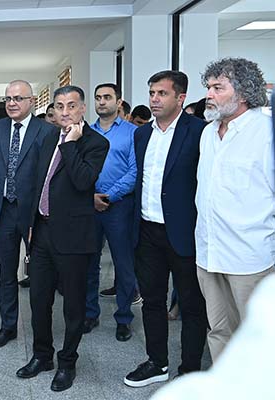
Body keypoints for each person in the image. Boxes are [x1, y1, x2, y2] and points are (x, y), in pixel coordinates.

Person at [16, 85, 108, 392]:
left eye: (71, 105)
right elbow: (37, 184)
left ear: (83, 108)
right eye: (59, 106)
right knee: (39, 299)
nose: (65, 112)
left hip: (74, 237)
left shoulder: (96, 143)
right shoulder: (46, 139)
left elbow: (83, 181)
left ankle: (67, 363)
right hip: (42, 232)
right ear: (53, 109)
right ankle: (42, 355)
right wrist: (30, 225)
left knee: (73, 306)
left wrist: (70, 145)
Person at [124, 70, 208, 388]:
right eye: (152, 93)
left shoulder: (199, 131)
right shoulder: (141, 135)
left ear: (180, 97)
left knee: (191, 305)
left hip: (184, 232)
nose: (154, 99)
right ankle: (156, 362)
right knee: (153, 301)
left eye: (162, 93)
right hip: (147, 231)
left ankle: (190, 371)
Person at [196, 57, 273, 362]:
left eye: (218, 88)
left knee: (257, 337)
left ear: (242, 93)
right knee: (219, 331)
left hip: (249, 258)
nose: (209, 95)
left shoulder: (265, 132)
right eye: (208, 87)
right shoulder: (208, 133)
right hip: (209, 253)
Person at [0, 79, 58, 349]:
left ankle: (40, 330)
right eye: (8, 99)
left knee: (40, 275)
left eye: (18, 98)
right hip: (3, 211)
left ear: (31, 101)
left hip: (36, 215)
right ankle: (8, 326)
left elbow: (49, 177)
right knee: (6, 273)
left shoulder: (47, 131)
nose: (11, 103)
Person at [83, 83, 138, 341]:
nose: (102, 102)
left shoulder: (132, 133)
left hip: (120, 206)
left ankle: (124, 317)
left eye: (107, 97)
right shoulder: (85, 133)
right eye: (98, 98)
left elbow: (135, 171)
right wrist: (91, 197)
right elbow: (79, 168)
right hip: (89, 204)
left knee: (123, 263)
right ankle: (90, 313)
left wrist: (109, 195)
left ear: (119, 102)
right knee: (88, 262)